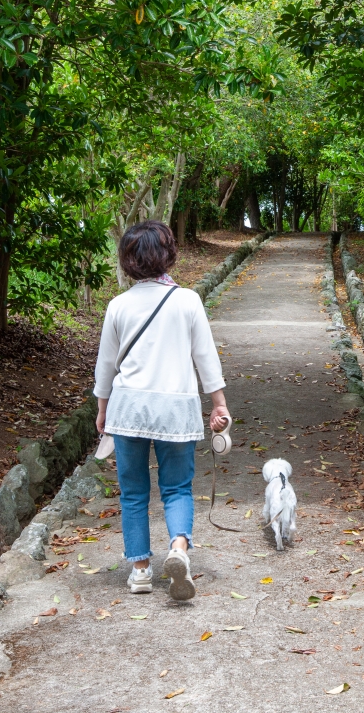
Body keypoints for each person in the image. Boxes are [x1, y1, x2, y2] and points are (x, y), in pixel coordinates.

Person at [93, 220, 229, 601]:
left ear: (127, 261)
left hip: (129, 407)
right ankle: (179, 550)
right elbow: (206, 357)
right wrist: (219, 405)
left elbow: (106, 366)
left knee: (133, 492)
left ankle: (139, 570)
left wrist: (103, 411)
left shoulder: (118, 305)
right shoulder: (187, 300)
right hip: (176, 407)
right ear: (168, 255)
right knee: (177, 488)